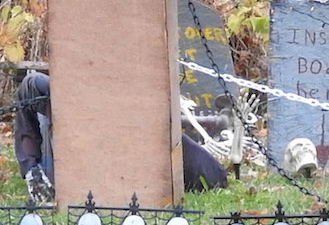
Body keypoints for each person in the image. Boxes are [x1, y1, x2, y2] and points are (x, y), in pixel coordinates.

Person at [12, 70, 227, 203]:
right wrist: (31, 169)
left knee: (208, 173)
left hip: (123, 151)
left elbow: (214, 177)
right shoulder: (53, 92)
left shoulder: (133, 116)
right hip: (72, 163)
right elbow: (29, 88)